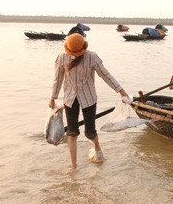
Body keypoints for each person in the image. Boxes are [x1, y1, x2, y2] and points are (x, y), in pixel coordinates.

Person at [49, 33, 129, 169]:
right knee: (72, 133)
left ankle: (97, 146)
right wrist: (53, 98)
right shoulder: (62, 58)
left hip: (89, 98)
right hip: (69, 99)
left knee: (90, 132)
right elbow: (58, 79)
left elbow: (105, 75)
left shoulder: (92, 57)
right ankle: (73, 166)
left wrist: (121, 91)